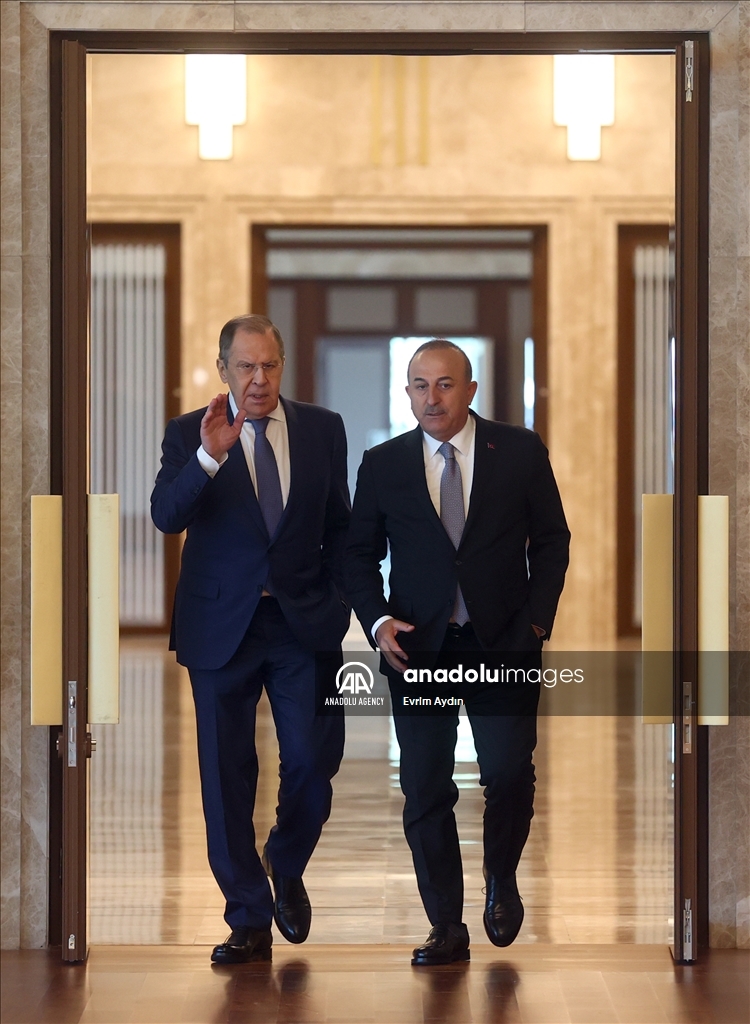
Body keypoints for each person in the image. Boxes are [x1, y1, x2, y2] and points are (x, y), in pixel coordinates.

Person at [344, 339, 569, 966]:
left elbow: (552, 539)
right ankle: (445, 923)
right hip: (420, 650)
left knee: (507, 771)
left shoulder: (518, 450)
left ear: (470, 390)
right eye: (420, 385)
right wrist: (378, 621)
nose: (432, 397)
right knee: (425, 785)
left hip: (504, 643)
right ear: (407, 393)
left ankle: (502, 877)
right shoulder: (384, 463)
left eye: (445, 384)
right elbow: (357, 555)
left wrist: (537, 622)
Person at [151, 314, 350, 964]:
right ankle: (247, 916)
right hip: (220, 627)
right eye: (245, 367)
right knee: (226, 775)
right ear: (224, 370)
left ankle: (285, 862)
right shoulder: (189, 432)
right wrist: (210, 457)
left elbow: (340, 526)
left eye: (269, 365)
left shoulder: (323, 429)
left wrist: (343, 602)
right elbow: (166, 516)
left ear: (282, 365)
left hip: (302, 624)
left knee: (313, 761)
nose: (259, 379)